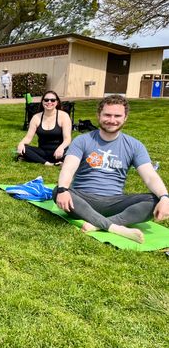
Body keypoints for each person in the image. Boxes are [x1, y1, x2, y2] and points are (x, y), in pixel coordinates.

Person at [54, 95, 169, 243]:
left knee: (155, 199)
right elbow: (69, 168)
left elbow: (150, 176)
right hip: (82, 200)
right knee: (58, 190)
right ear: (98, 115)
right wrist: (63, 190)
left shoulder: (134, 145)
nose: (112, 120)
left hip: (115, 203)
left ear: (125, 117)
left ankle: (97, 224)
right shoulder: (82, 140)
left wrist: (165, 198)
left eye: (117, 116)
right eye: (107, 115)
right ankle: (116, 227)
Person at [17, 90, 72, 166]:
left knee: (72, 153)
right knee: (24, 149)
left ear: (57, 102)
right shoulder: (36, 117)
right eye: (46, 100)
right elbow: (28, 138)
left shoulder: (64, 116)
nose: (49, 102)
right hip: (43, 151)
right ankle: (47, 163)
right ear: (42, 102)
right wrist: (21, 143)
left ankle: (36, 159)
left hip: (60, 151)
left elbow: (67, 139)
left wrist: (61, 148)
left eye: (52, 100)